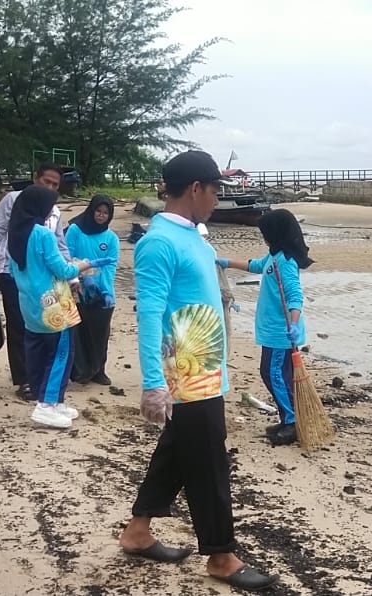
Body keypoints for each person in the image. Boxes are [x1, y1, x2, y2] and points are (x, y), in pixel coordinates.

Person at [120, 150, 277, 592]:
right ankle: (222, 555)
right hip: (185, 370)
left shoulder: (194, 237)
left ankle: (137, 532)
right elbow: (149, 313)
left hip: (205, 364)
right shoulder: (159, 242)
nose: (216, 199)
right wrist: (153, 382)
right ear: (195, 189)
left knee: (177, 449)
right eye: (214, 190)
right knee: (208, 459)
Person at [6, 185, 109, 429]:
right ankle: (47, 404)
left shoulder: (15, 234)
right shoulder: (42, 234)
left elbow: (12, 270)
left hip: (29, 305)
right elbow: (63, 269)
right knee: (61, 354)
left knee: (36, 352)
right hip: (54, 305)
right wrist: (85, 264)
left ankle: (55, 401)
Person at [0, 163, 72, 400]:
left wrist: (72, 276)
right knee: (21, 326)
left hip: (50, 275)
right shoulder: (14, 199)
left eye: (56, 185)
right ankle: (25, 379)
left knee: (55, 325)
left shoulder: (53, 209)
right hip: (16, 271)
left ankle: (50, 376)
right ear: (35, 178)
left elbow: (60, 243)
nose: (51, 187)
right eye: (47, 182)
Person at [217, 209, 312, 447]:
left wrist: (293, 323)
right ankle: (287, 417)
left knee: (273, 374)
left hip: (282, 333)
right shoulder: (274, 256)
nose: (264, 237)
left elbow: (295, 295)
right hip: (271, 331)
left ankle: (292, 422)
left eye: (265, 233)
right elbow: (257, 265)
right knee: (276, 374)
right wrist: (227, 262)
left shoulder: (286, 262)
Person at [65, 194, 119, 385]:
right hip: (77, 286)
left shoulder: (111, 238)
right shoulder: (75, 230)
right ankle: (79, 371)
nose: (101, 216)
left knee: (100, 332)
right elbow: (68, 256)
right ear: (91, 210)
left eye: (106, 213)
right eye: (98, 211)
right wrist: (79, 277)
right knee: (78, 331)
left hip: (101, 288)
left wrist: (104, 289)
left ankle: (99, 370)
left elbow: (111, 265)